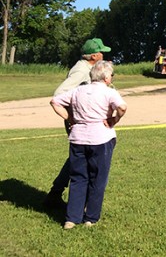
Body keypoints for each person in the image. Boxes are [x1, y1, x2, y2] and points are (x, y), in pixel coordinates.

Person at [50, 60, 127, 229]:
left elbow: (55, 102)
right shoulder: (109, 92)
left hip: (78, 139)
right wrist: (114, 119)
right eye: (111, 75)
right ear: (106, 77)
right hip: (101, 139)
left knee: (78, 178)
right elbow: (122, 107)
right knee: (97, 179)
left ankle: (71, 219)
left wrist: (70, 118)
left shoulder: (78, 91)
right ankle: (90, 218)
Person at [44, 37, 112, 208]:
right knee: (83, 159)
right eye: (101, 52)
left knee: (78, 158)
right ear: (94, 56)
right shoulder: (81, 71)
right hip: (79, 121)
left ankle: (56, 193)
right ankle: (67, 197)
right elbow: (60, 93)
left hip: (82, 121)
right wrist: (70, 117)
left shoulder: (88, 69)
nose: (103, 55)